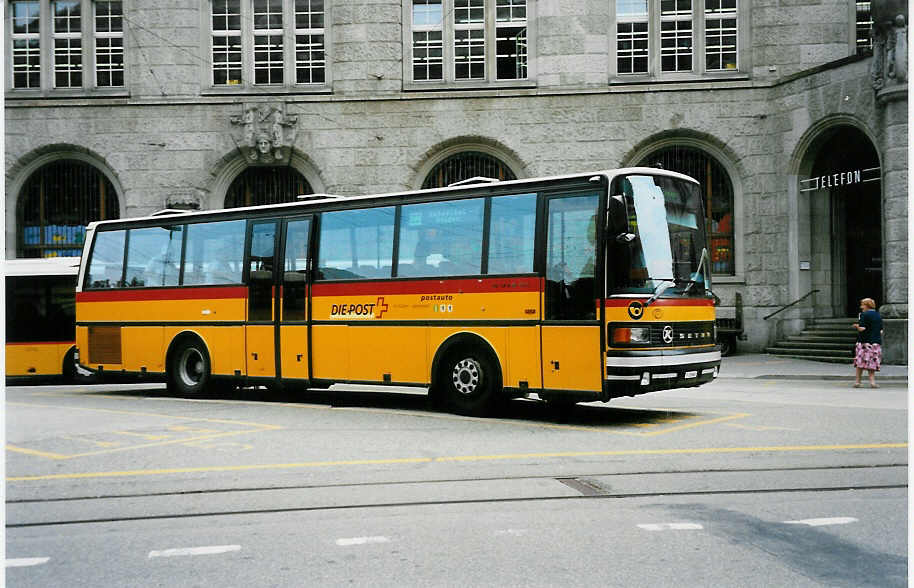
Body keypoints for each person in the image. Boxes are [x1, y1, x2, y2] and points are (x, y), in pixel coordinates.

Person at [852, 297, 883, 388]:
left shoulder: (863, 314)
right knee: (872, 363)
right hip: (875, 342)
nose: (861, 307)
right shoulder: (878, 315)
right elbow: (881, 331)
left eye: (862, 305)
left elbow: (862, 328)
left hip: (864, 342)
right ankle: (872, 382)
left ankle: (858, 382)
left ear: (867, 305)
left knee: (860, 362)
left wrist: (856, 326)